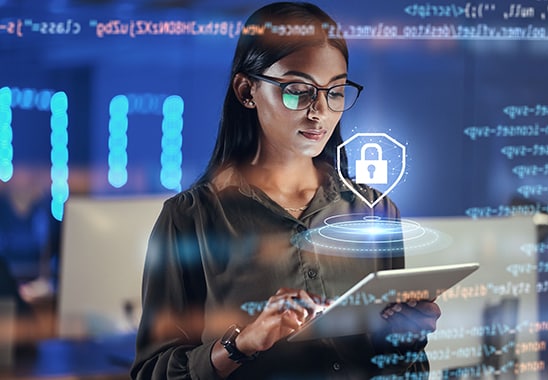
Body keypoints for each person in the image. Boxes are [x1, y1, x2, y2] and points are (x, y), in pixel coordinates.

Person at [131, 2, 441, 379]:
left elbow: (408, 372)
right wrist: (241, 344)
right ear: (247, 91)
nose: (320, 112)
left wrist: (405, 342)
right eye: (298, 91)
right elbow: (151, 373)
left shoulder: (374, 210)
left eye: (336, 92)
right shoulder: (190, 218)